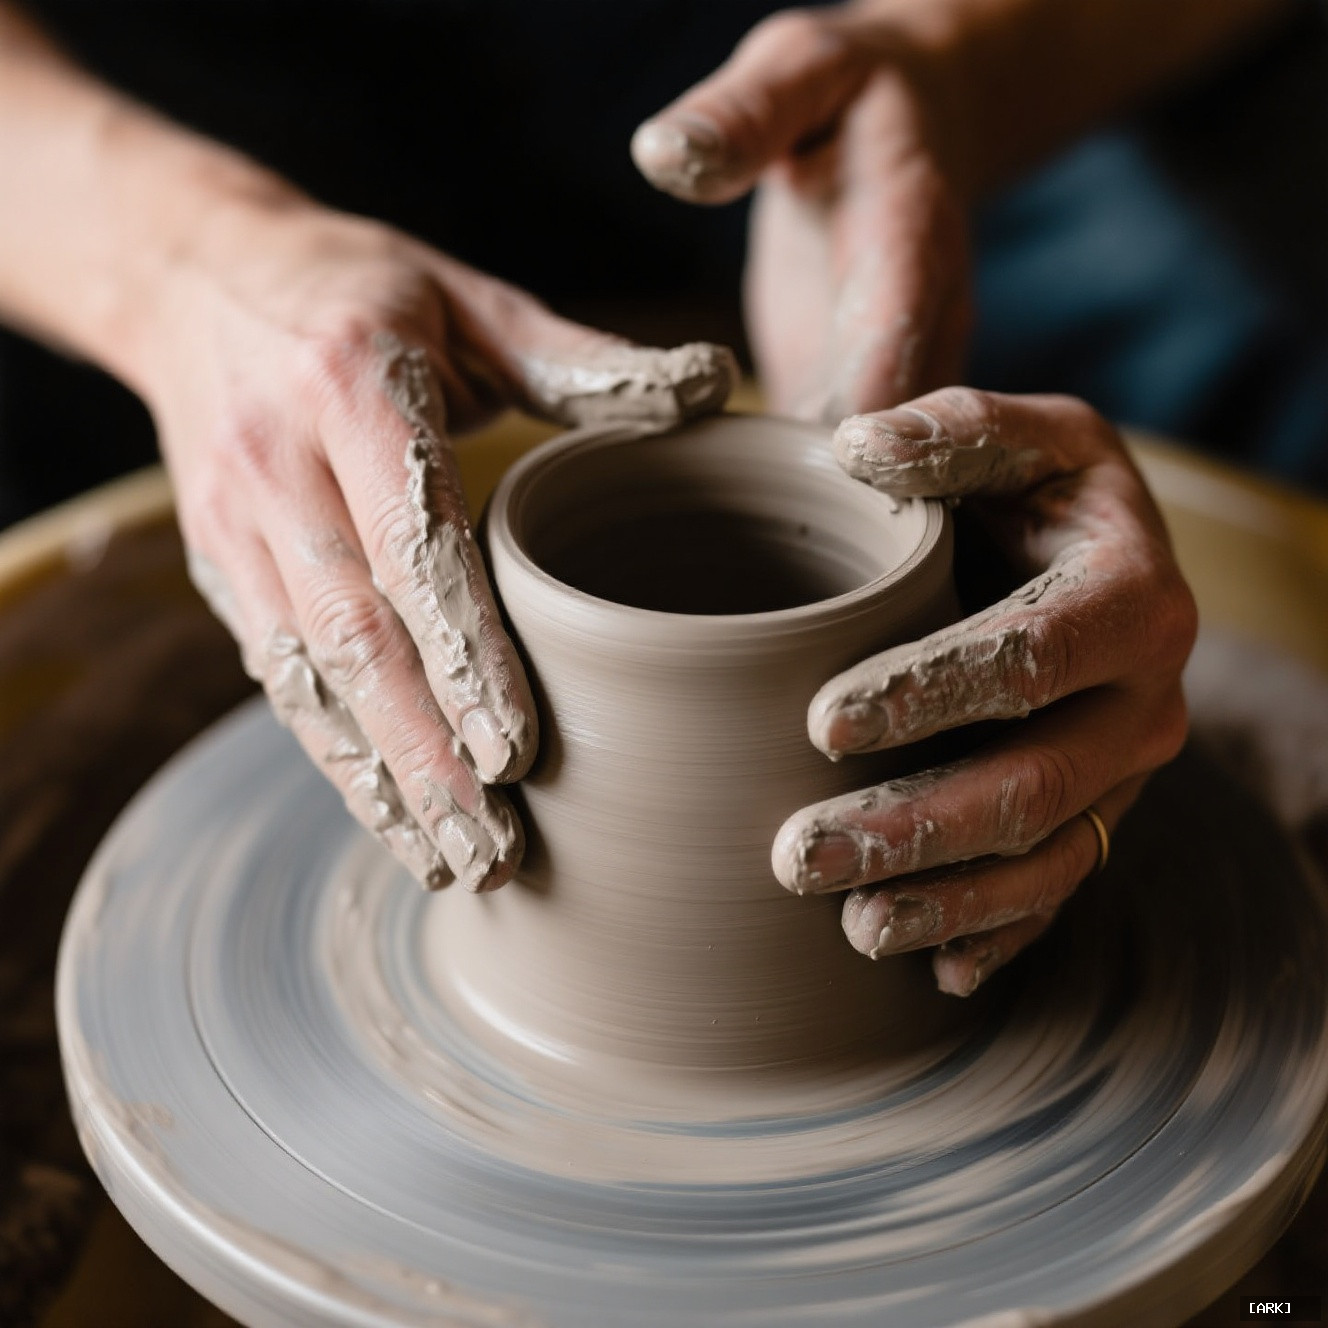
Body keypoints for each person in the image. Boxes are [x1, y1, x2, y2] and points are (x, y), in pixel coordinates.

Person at [0, 0, 1310, 996]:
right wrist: (189, 264)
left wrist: (939, 57)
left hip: (750, 50)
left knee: (1236, 353)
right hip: (126, 91)